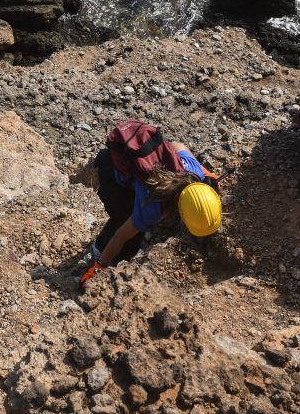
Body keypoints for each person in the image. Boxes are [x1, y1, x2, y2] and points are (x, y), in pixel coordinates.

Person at [81, 122, 222, 289]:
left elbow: (177, 145)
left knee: (136, 216)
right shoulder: (152, 208)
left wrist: (205, 172)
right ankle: (98, 251)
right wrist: (99, 267)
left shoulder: (194, 172)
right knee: (127, 227)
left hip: (138, 172)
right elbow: (121, 235)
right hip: (110, 172)